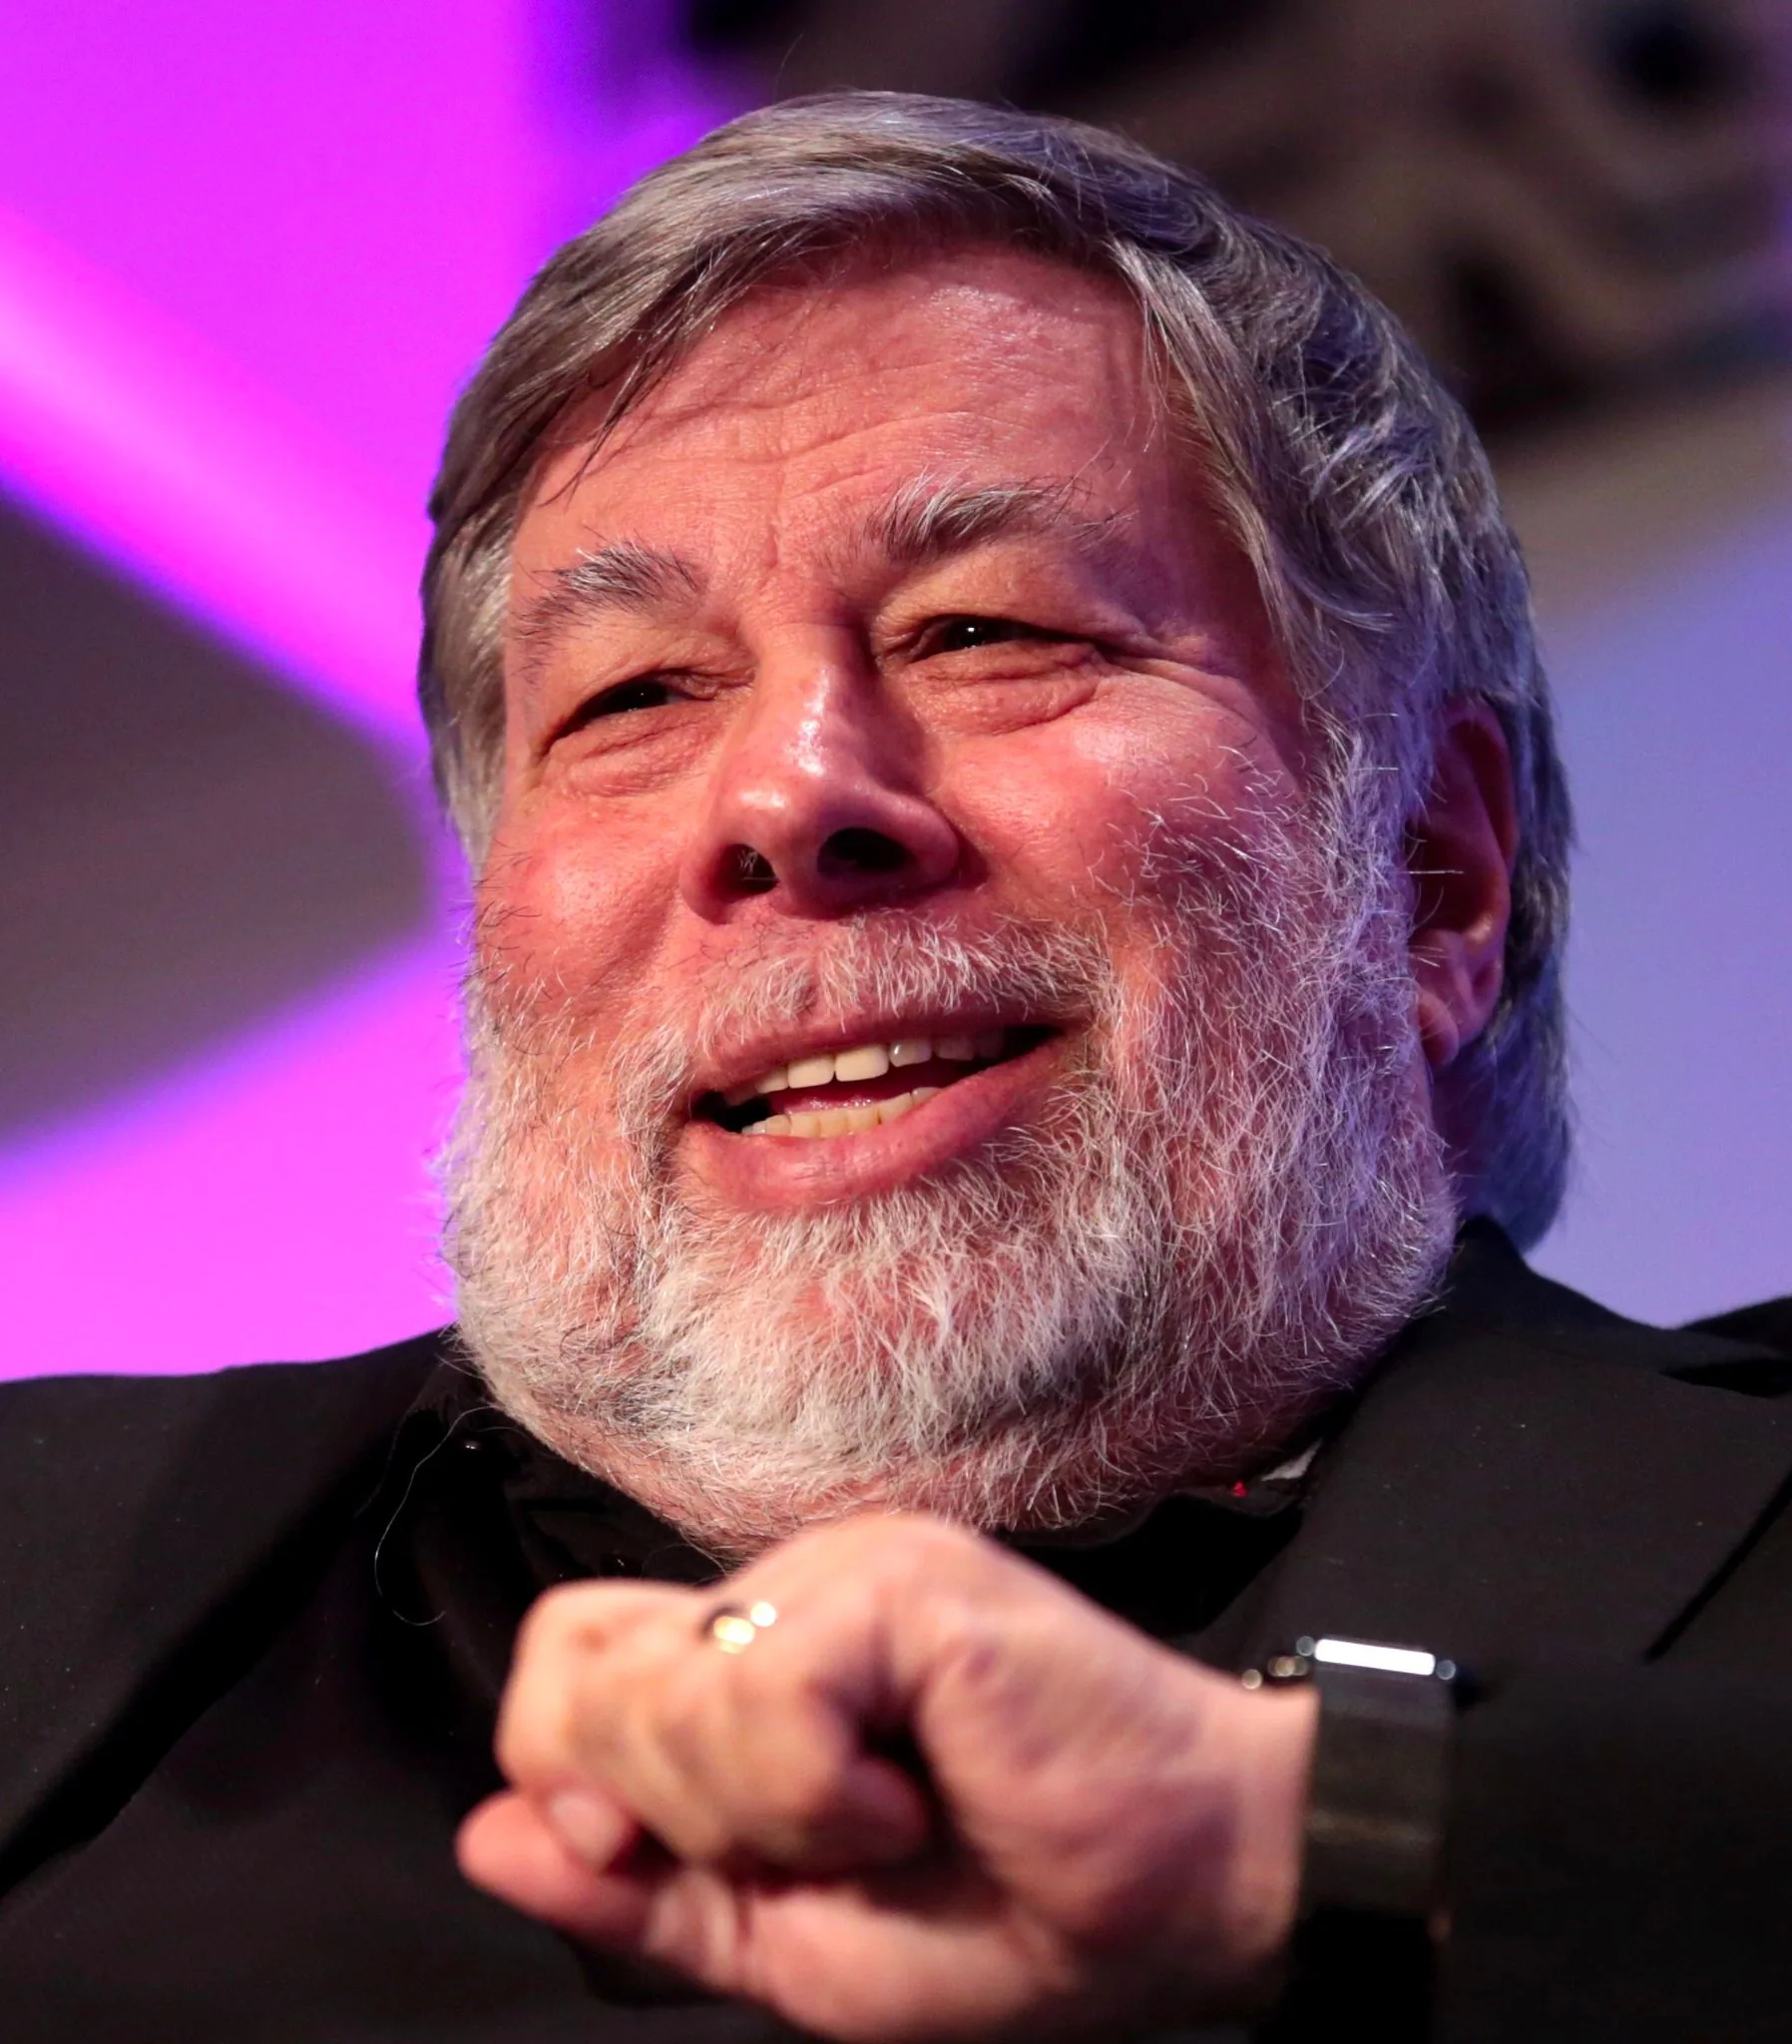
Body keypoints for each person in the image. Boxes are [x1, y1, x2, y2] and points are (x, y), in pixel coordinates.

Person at [2, 92, 1789, 2044]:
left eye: (984, 630)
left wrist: (1314, 1846)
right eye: (635, 697)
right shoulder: (50, 1560)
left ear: (1433, 878)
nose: (785, 797)